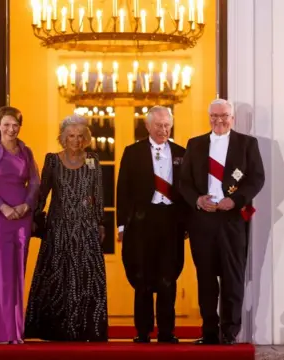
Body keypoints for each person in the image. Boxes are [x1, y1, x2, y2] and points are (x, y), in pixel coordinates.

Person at [179, 99, 264, 345]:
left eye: (224, 116)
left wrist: (235, 200)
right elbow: (183, 182)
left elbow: (256, 178)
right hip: (202, 221)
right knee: (205, 278)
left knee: (232, 277)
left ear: (232, 118)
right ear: (208, 118)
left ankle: (229, 332)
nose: (219, 120)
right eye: (214, 116)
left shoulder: (247, 144)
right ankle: (208, 332)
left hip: (232, 220)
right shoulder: (195, 144)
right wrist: (197, 199)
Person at [24, 114, 108, 342]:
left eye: (81, 136)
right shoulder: (52, 160)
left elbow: (98, 193)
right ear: (63, 138)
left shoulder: (93, 160)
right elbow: (43, 193)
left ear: (87, 138)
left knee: (87, 275)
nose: (76, 140)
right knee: (58, 278)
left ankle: (86, 330)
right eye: (71, 136)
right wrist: (33, 217)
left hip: (86, 227)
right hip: (58, 228)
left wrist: (100, 222)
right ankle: (56, 331)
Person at [116, 106, 187, 343]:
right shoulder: (133, 152)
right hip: (141, 222)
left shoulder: (181, 153)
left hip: (170, 221)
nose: (163, 130)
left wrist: (186, 223)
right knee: (143, 277)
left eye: (167, 125)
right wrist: (121, 225)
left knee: (169, 277)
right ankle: (143, 332)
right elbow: (123, 190)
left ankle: (167, 332)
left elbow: (187, 191)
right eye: (158, 125)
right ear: (147, 126)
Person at [0, 106, 40, 344]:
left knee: (18, 273)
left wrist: (26, 206)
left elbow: (35, 182)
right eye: (7, 124)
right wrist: (3, 208)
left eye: (16, 125)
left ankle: (16, 332)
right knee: (0, 272)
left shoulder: (26, 152)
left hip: (22, 217)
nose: (11, 129)